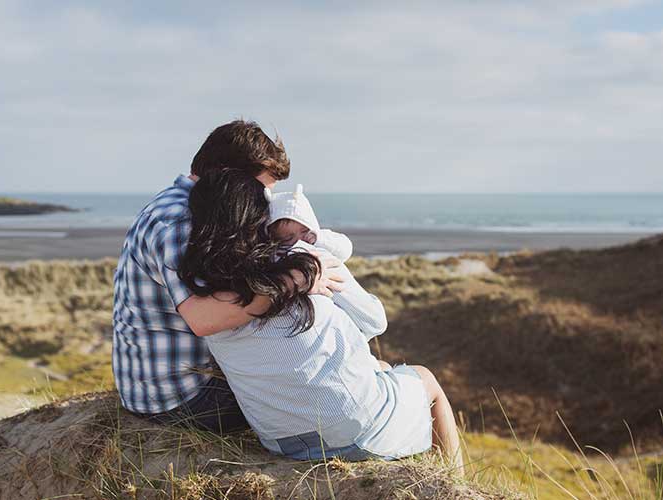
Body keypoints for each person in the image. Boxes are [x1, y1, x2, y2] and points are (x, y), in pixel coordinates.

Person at [180, 169, 464, 469]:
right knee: (426, 380)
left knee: (378, 369)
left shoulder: (201, 291)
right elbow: (374, 323)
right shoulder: (304, 262)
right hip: (354, 430)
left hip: (281, 441)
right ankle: (454, 482)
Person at [111, 120, 343, 434]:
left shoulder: (179, 205)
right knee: (332, 400)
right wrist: (294, 281)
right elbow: (204, 318)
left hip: (159, 387)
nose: (263, 203)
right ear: (227, 176)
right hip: (183, 397)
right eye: (259, 190)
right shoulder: (180, 221)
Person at [265, 184, 353, 262]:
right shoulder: (278, 256)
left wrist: (319, 239)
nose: (299, 239)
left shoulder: (321, 240)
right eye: (288, 237)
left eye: (304, 231)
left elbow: (346, 249)